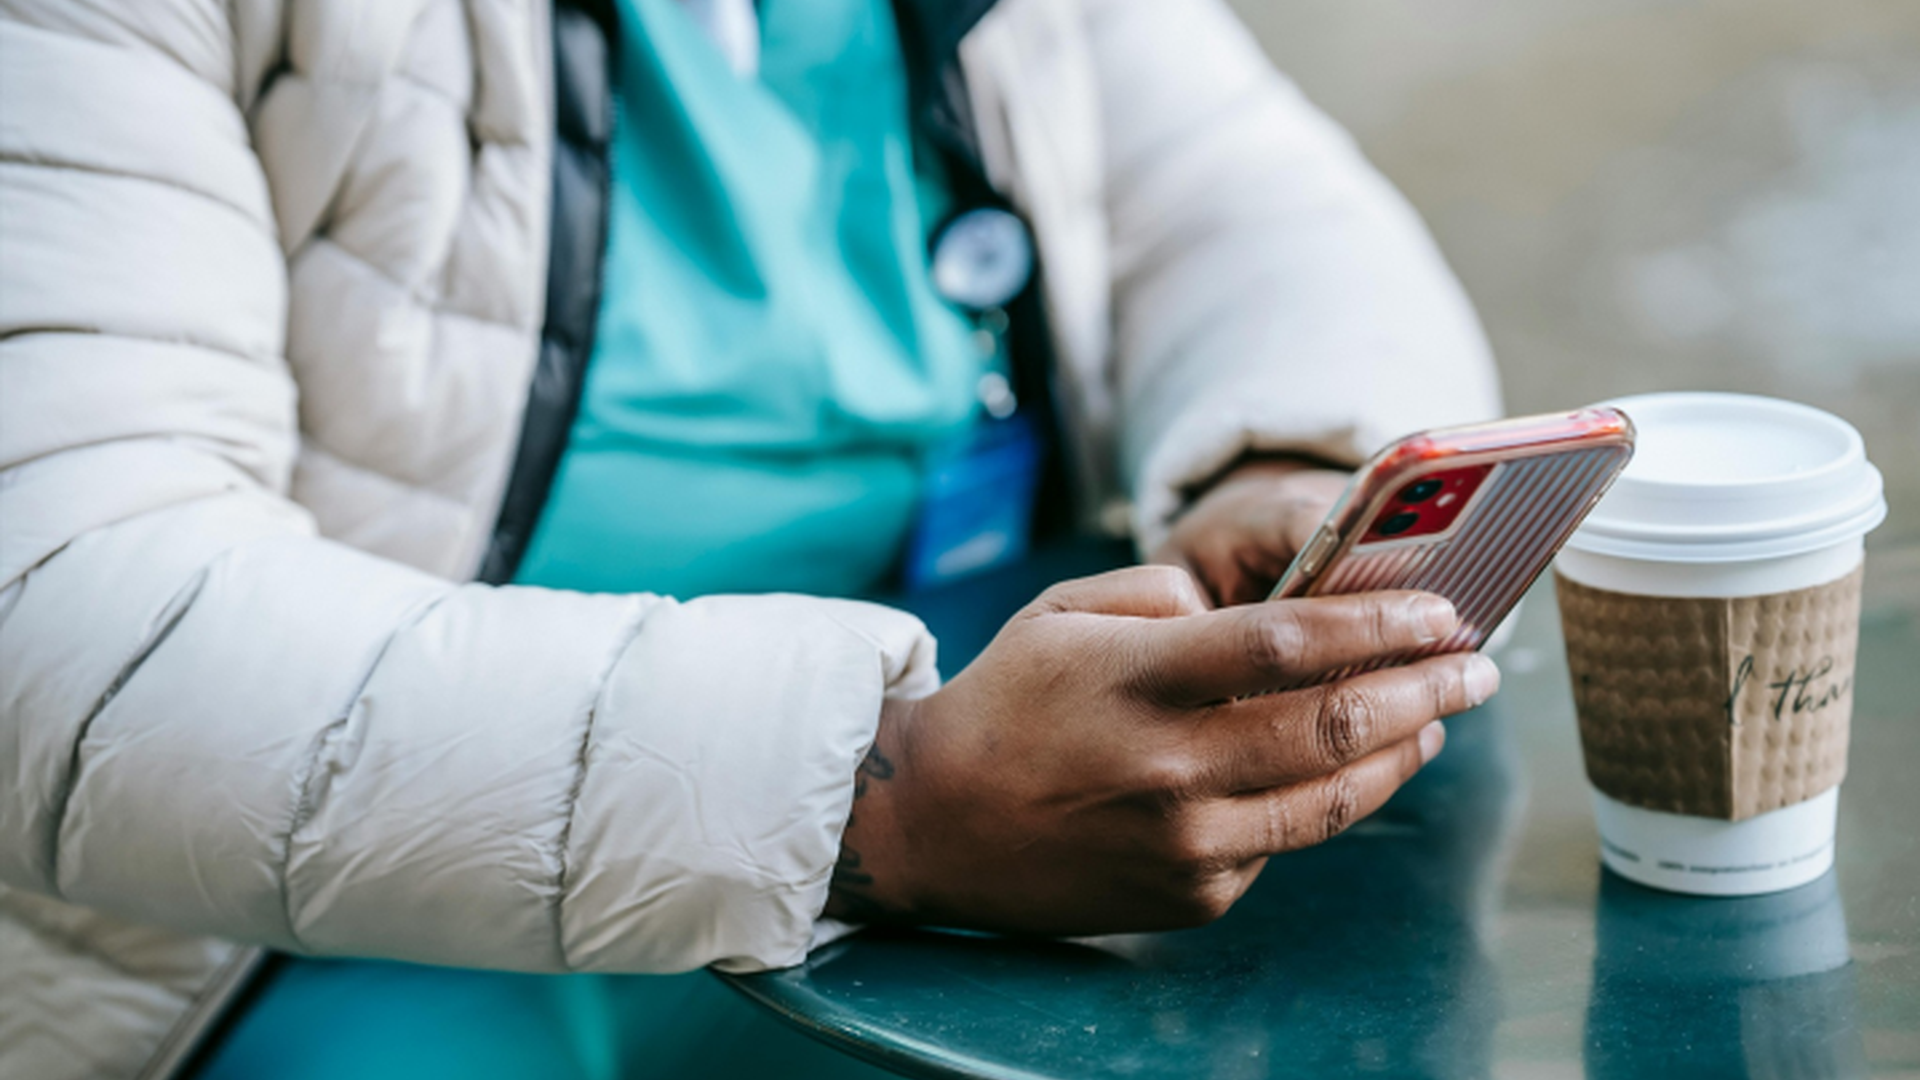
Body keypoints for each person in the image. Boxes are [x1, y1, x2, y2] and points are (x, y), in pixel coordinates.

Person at [0, 0, 1504, 1076]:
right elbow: (66, 609)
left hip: (1011, 826)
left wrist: (1276, 468)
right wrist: (881, 802)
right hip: (326, 920)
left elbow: (1245, 203)